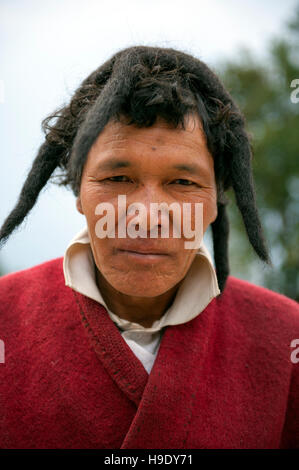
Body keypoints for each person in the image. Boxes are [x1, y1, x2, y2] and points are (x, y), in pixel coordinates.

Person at [0, 45, 298, 449]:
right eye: (118, 177)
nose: (146, 215)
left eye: (183, 183)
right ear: (79, 190)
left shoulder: (286, 339)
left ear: (215, 200)